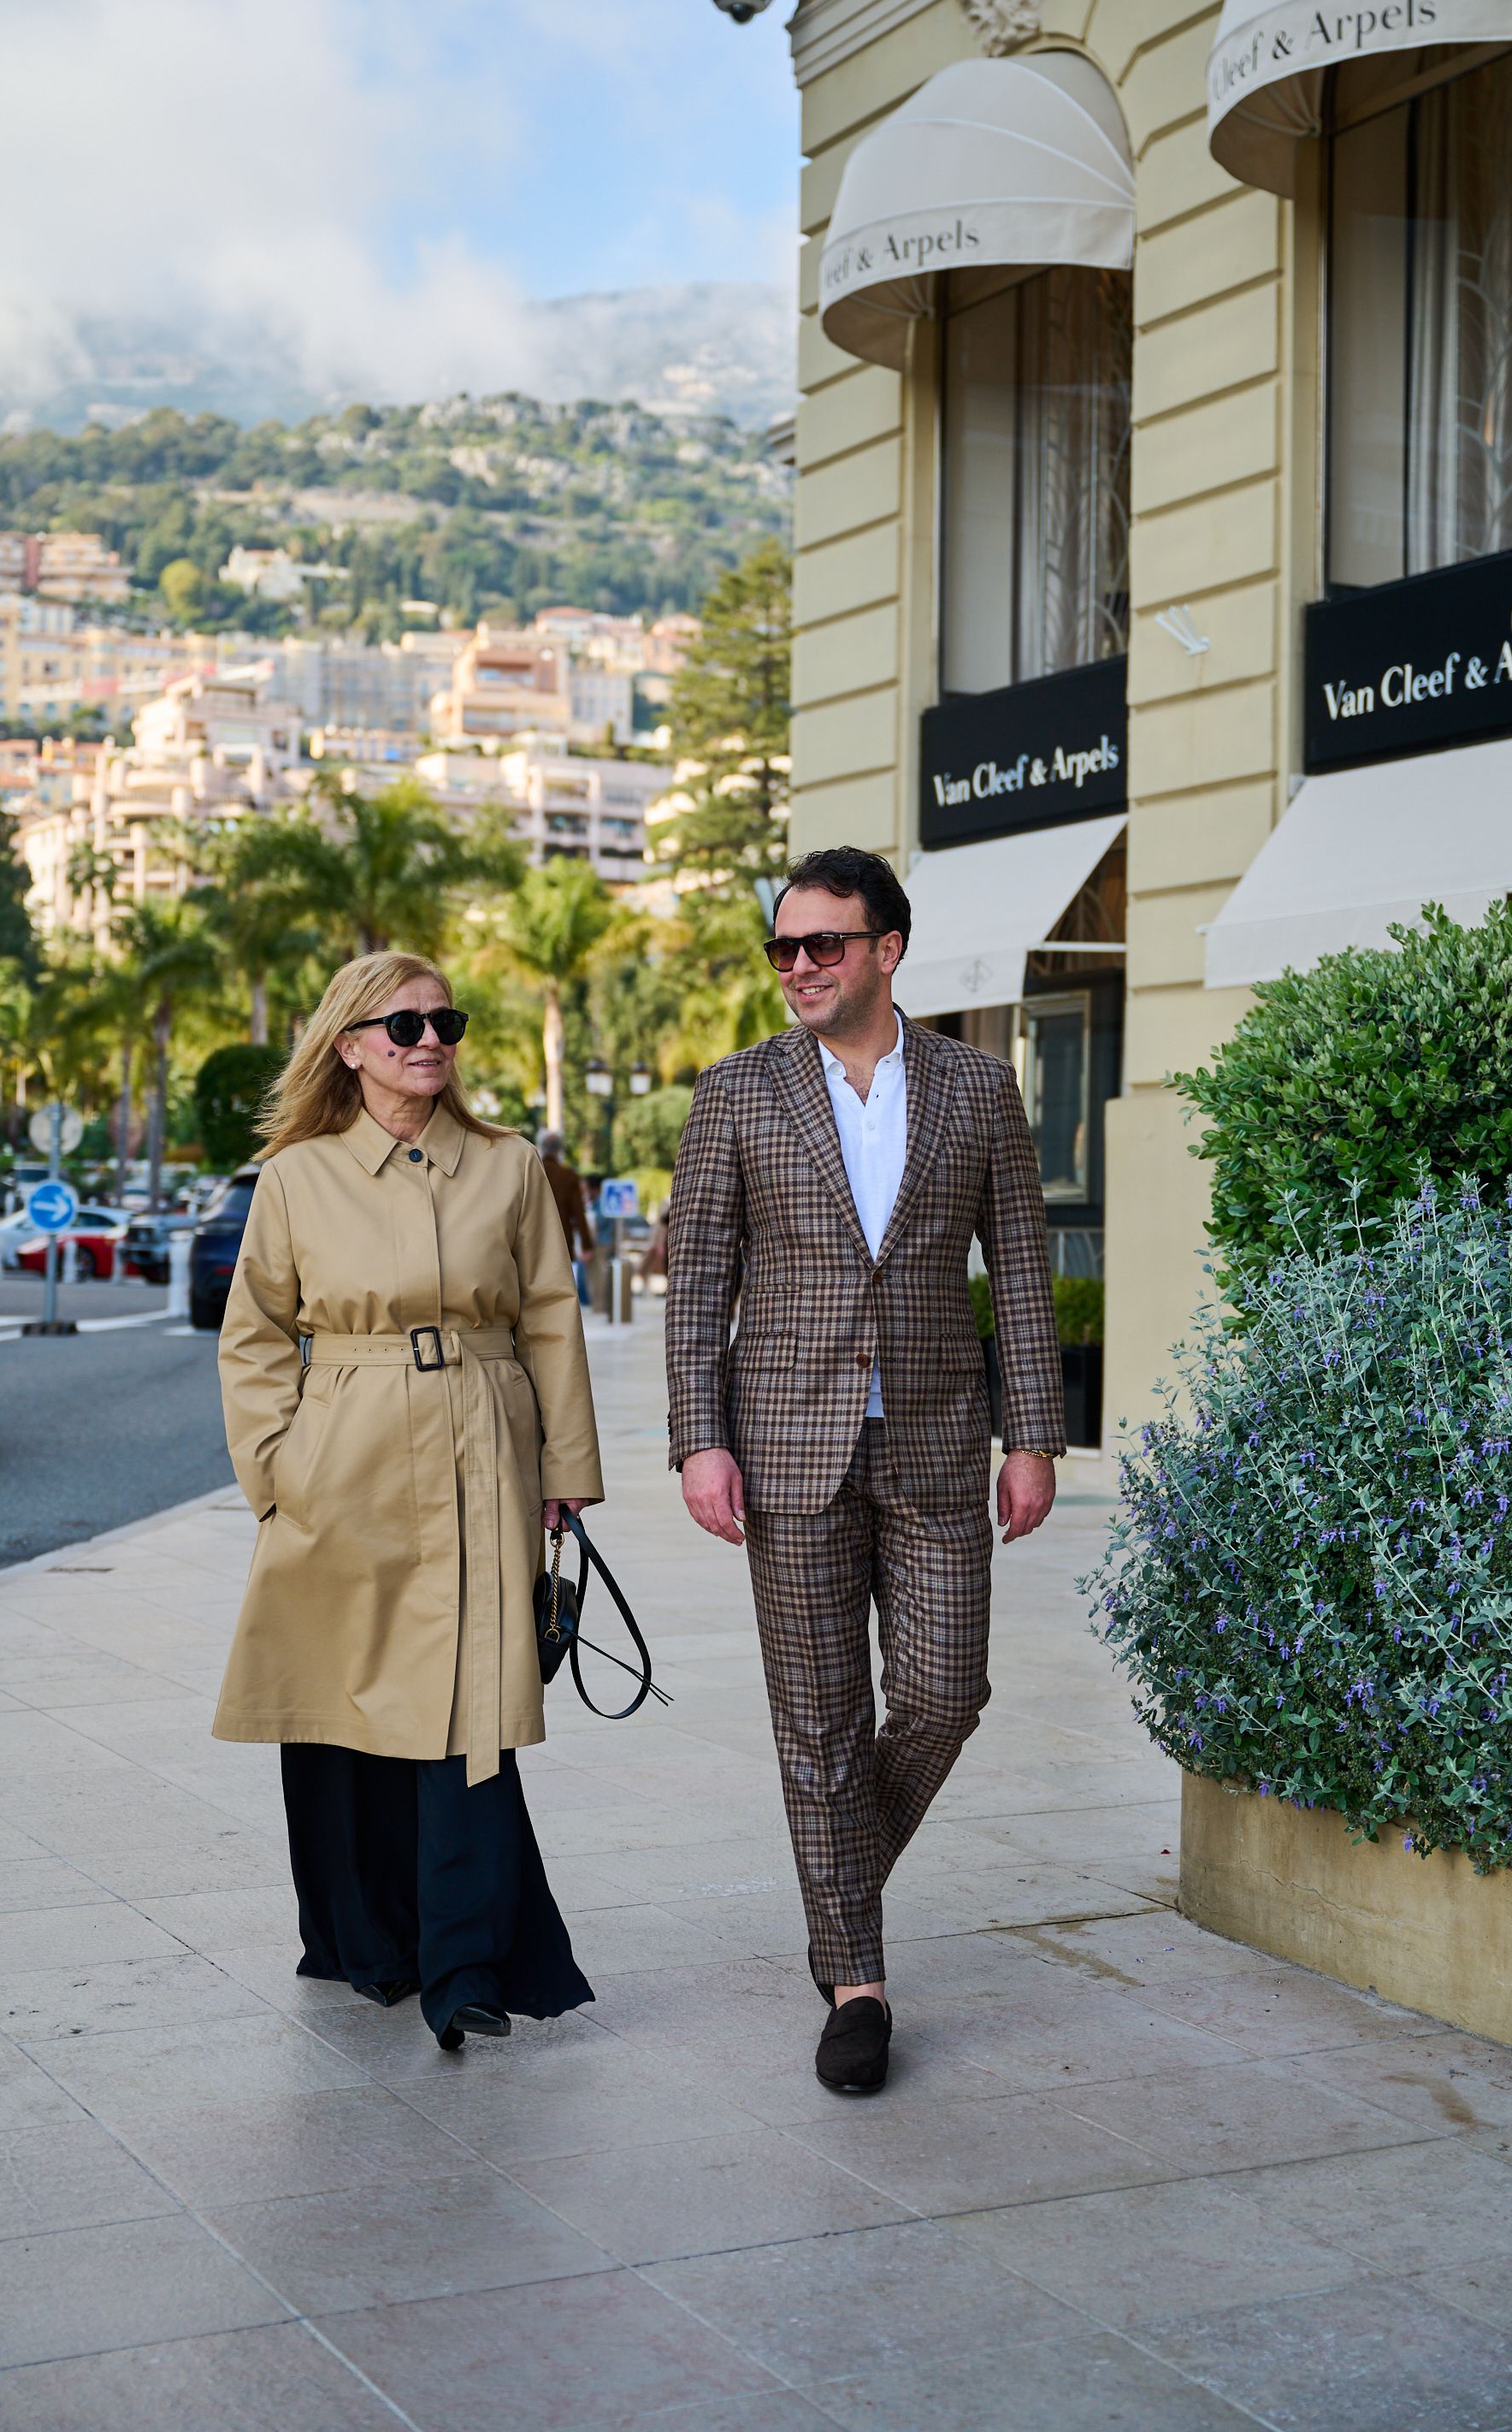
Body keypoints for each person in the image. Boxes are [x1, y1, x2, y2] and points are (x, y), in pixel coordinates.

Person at [665, 847, 1065, 2096]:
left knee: (946, 1696)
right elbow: (698, 1287)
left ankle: (833, 1895)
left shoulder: (980, 1087)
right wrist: (699, 1436)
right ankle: (857, 1983)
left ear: (887, 948)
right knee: (819, 1723)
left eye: (823, 944)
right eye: (782, 948)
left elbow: (1022, 1266)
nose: (798, 966)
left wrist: (1035, 1435)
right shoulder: (736, 1092)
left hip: (940, 1438)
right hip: (784, 1441)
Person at [214, 950, 603, 2050]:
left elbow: (548, 1320)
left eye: (444, 1023)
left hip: (482, 1447)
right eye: (402, 1026)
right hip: (342, 1456)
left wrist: (564, 1475)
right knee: (344, 1709)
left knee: (473, 1710)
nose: (428, 1041)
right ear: (348, 1045)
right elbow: (251, 1340)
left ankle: (466, 1961)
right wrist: (279, 1473)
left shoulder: (508, 1165)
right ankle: (365, 1941)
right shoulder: (296, 1178)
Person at [538, 1127, 594, 1304]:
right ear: (560, 1150)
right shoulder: (568, 1176)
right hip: (561, 1237)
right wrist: (587, 1244)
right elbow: (579, 1213)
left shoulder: (530, 1171)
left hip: (532, 1236)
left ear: (541, 1148)